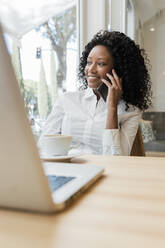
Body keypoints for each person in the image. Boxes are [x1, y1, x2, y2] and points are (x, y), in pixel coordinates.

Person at [39, 30, 152, 156]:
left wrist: (112, 107)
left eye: (100, 64)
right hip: (67, 170)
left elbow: (117, 159)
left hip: (105, 172)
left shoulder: (130, 112)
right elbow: (44, 145)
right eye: (88, 62)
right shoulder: (67, 100)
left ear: (119, 70)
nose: (90, 70)